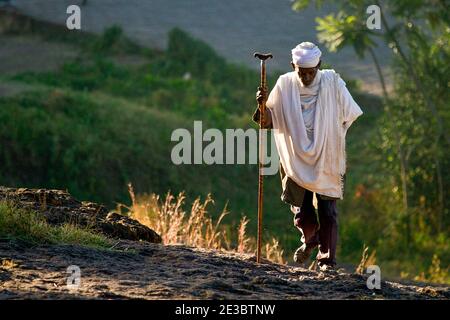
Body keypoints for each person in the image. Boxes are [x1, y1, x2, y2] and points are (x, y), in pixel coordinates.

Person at [252, 42, 363, 271]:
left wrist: (331, 132)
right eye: (302, 72)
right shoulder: (285, 85)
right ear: (293, 66)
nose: (306, 77)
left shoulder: (332, 83)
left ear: (319, 66)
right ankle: (311, 238)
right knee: (301, 210)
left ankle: (327, 262)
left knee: (328, 211)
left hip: (326, 155)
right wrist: (262, 105)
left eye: (311, 72)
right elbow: (266, 122)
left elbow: (349, 114)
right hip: (295, 157)